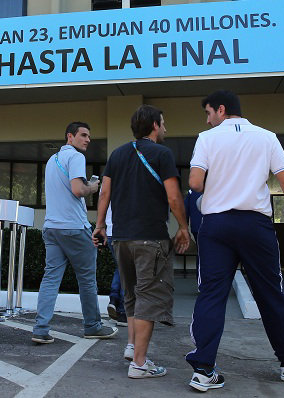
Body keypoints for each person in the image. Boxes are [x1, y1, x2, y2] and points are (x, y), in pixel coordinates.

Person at [185, 90, 284, 392]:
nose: (207, 119)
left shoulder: (207, 138)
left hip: (215, 225)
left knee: (211, 293)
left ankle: (203, 370)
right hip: (255, 224)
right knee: (270, 292)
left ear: (221, 110)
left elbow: (195, 183)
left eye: (208, 112)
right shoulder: (267, 137)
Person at [93, 105, 190, 379]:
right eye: (164, 122)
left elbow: (104, 194)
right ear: (155, 126)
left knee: (132, 296)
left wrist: (100, 226)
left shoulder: (117, 154)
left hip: (120, 237)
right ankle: (139, 363)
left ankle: (132, 346)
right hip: (151, 237)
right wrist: (183, 227)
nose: (166, 127)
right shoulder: (163, 154)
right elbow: (173, 198)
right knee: (149, 296)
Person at [32, 121, 117, 343]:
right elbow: (78, 189)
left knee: (50, 279)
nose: (88, 139)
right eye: (83, 135)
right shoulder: (77, 157)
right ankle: (92, 326)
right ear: (70, 137)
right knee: (87, 280)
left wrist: (84, 185)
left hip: (51, 229)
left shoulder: (52, 160)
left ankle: (40, 329)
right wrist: (93, 187)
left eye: (89, 136)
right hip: (74, 228)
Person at [105, 204, 128, 327]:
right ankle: (122, 312)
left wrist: (100, 226)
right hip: (126, 231)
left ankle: (114, 300)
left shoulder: (107, 183)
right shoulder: (131, 183)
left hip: (110, 230)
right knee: (127, 270)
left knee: (120, 268)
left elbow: (103, 199)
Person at [183, 189, 203, 277]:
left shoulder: (192, 191)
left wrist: (184, 226)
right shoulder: (216, 185)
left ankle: (201, 282)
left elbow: (185, 209)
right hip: (214, 225)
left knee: (201, 253)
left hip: (196, 226)